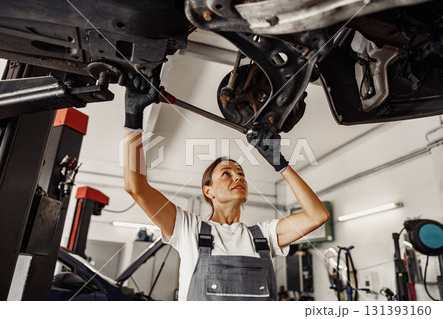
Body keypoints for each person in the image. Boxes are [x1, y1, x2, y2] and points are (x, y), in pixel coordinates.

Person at [120, 71, 329, 301]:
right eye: (227, 173)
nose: (238, 177)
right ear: (207, 191)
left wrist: (280, 164)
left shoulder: (263, 237)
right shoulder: (188, 230)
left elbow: (317, 215)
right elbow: (135, 187)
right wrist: (133, 117)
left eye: (241, 173)